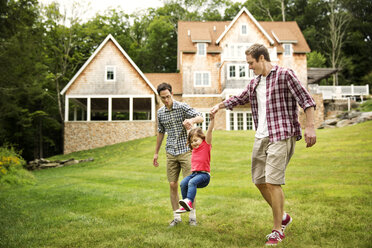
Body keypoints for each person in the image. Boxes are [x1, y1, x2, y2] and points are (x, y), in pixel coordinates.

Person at [210, 44, 317, 246]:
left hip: (281, 134)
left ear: (261, 58)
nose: (249, 67)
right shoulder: (255, 82)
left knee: (273, 182)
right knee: (259, 180)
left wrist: (310, 126)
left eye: (251, 63)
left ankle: (277, 230)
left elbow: (306, 100)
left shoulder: (285, 75)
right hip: (261, 136)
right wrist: (220, 105)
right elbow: (241, 98)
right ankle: (283, 216)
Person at [153, 82, 204, 227]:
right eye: (163, 98)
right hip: (171, 152)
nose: (166, 100)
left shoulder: (182, 107)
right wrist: (156, 153)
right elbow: (161, 132)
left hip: (186, 152)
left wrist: (191, 120)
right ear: (160, 98)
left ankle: (192, 217)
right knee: (173, 184)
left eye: (168, 96)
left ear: (172, 94)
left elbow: (200, 117)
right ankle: (177, 218)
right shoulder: (160, 113)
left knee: (190, 185)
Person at [175, 113, 215, 216]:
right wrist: (187, 126)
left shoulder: (206, 145)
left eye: (196, 140)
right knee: (183, 183)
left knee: (192, 182)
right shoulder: (194, 148)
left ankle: (189, 201)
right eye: (192, 141)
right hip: (194, 174)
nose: (194, 143)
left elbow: (209, 131)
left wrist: (212, 120)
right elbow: (190, 133)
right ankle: (185, 205)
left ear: (202, 138)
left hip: (204, 175)